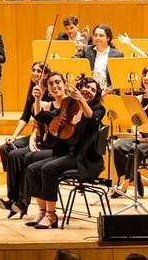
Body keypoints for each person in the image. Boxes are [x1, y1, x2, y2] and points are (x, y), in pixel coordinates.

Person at [26, 74, 105, 230]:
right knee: (32, 168)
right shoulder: (69, 105)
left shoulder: (97, 108)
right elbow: (42, 116)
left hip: (83, 157)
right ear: (79, 87)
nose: (89, 91)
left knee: (48, 168)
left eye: (93, 90)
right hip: (66, 154)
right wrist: (37, 98)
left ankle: (51, 215)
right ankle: (42, 212)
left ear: (96, 95)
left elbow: (93, 120)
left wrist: (82, 100)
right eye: (86, 87)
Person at [0, 62, 51, 218]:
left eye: (39, 71)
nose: (35, 73)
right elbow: (25, 116)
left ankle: (22, 201)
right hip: (36, 133)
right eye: (33, 70)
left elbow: (43, 122)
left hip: (44, 136)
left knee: (19, 156)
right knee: (6, 148)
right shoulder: (33, 90)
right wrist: (13, 136)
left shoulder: (50, 92)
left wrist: (33, 138)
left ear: (46, 75)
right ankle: (14, 197)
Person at [112, 66, 148, 197]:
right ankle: (130, 176)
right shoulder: (137, 99)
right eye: (145, 74)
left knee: (134, 149)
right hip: (139, 137)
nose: (146, 78)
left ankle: (125, 185)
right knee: (117, 146)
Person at [74, 24, 123, 92]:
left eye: (101, 35)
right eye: (95, 35)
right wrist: (77, 50)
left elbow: (119, 79)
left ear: (108, 38)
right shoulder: (87, 50)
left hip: (108, 92)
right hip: (88, 91)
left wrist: (109, 90)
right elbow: (73, 60)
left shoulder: (117, 54)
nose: (97, 38)